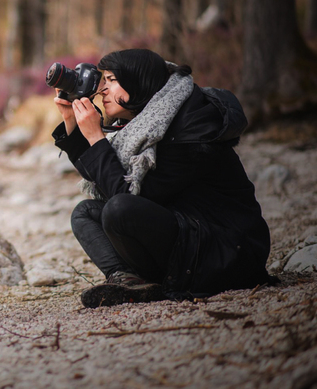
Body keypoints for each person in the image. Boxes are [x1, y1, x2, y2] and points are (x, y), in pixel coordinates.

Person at [52, 48, 272, 308]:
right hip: (191, 236)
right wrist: (72, 124)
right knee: (85, 213)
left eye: (112, 80)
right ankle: (130, 281)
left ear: (139, 82)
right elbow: (107, 181)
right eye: (105, 80)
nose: (102, 90)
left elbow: (125, 197)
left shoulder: (187, 129)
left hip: (226, 253)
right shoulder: (150, 126)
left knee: (119, 208)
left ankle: (156, 282)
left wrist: (97, 139)